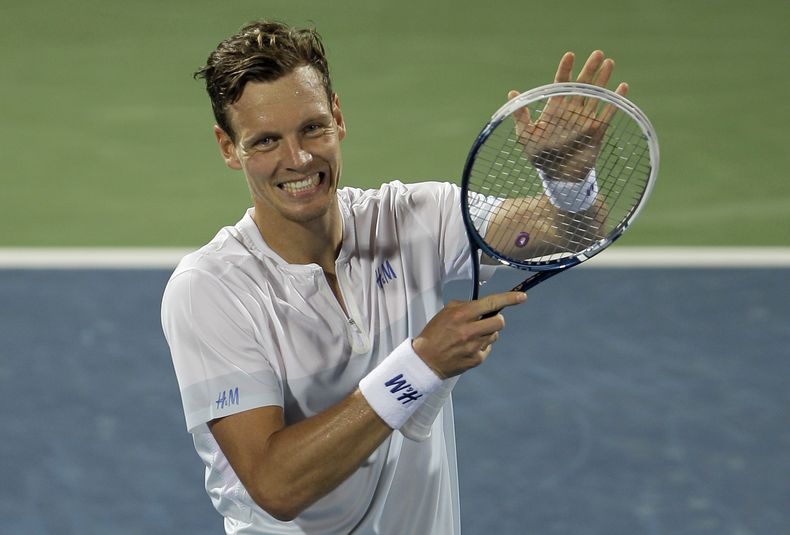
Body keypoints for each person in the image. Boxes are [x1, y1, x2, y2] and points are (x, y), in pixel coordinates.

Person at [161, 20, 626, 534]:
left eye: (312, 128)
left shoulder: (413, 217)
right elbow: (276, 487)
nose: (298, 159)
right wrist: (419, 365)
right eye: (266, 140)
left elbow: (567, 231)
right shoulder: (209, 290)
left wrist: (568, 183)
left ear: (338, 117)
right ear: (229, 148)